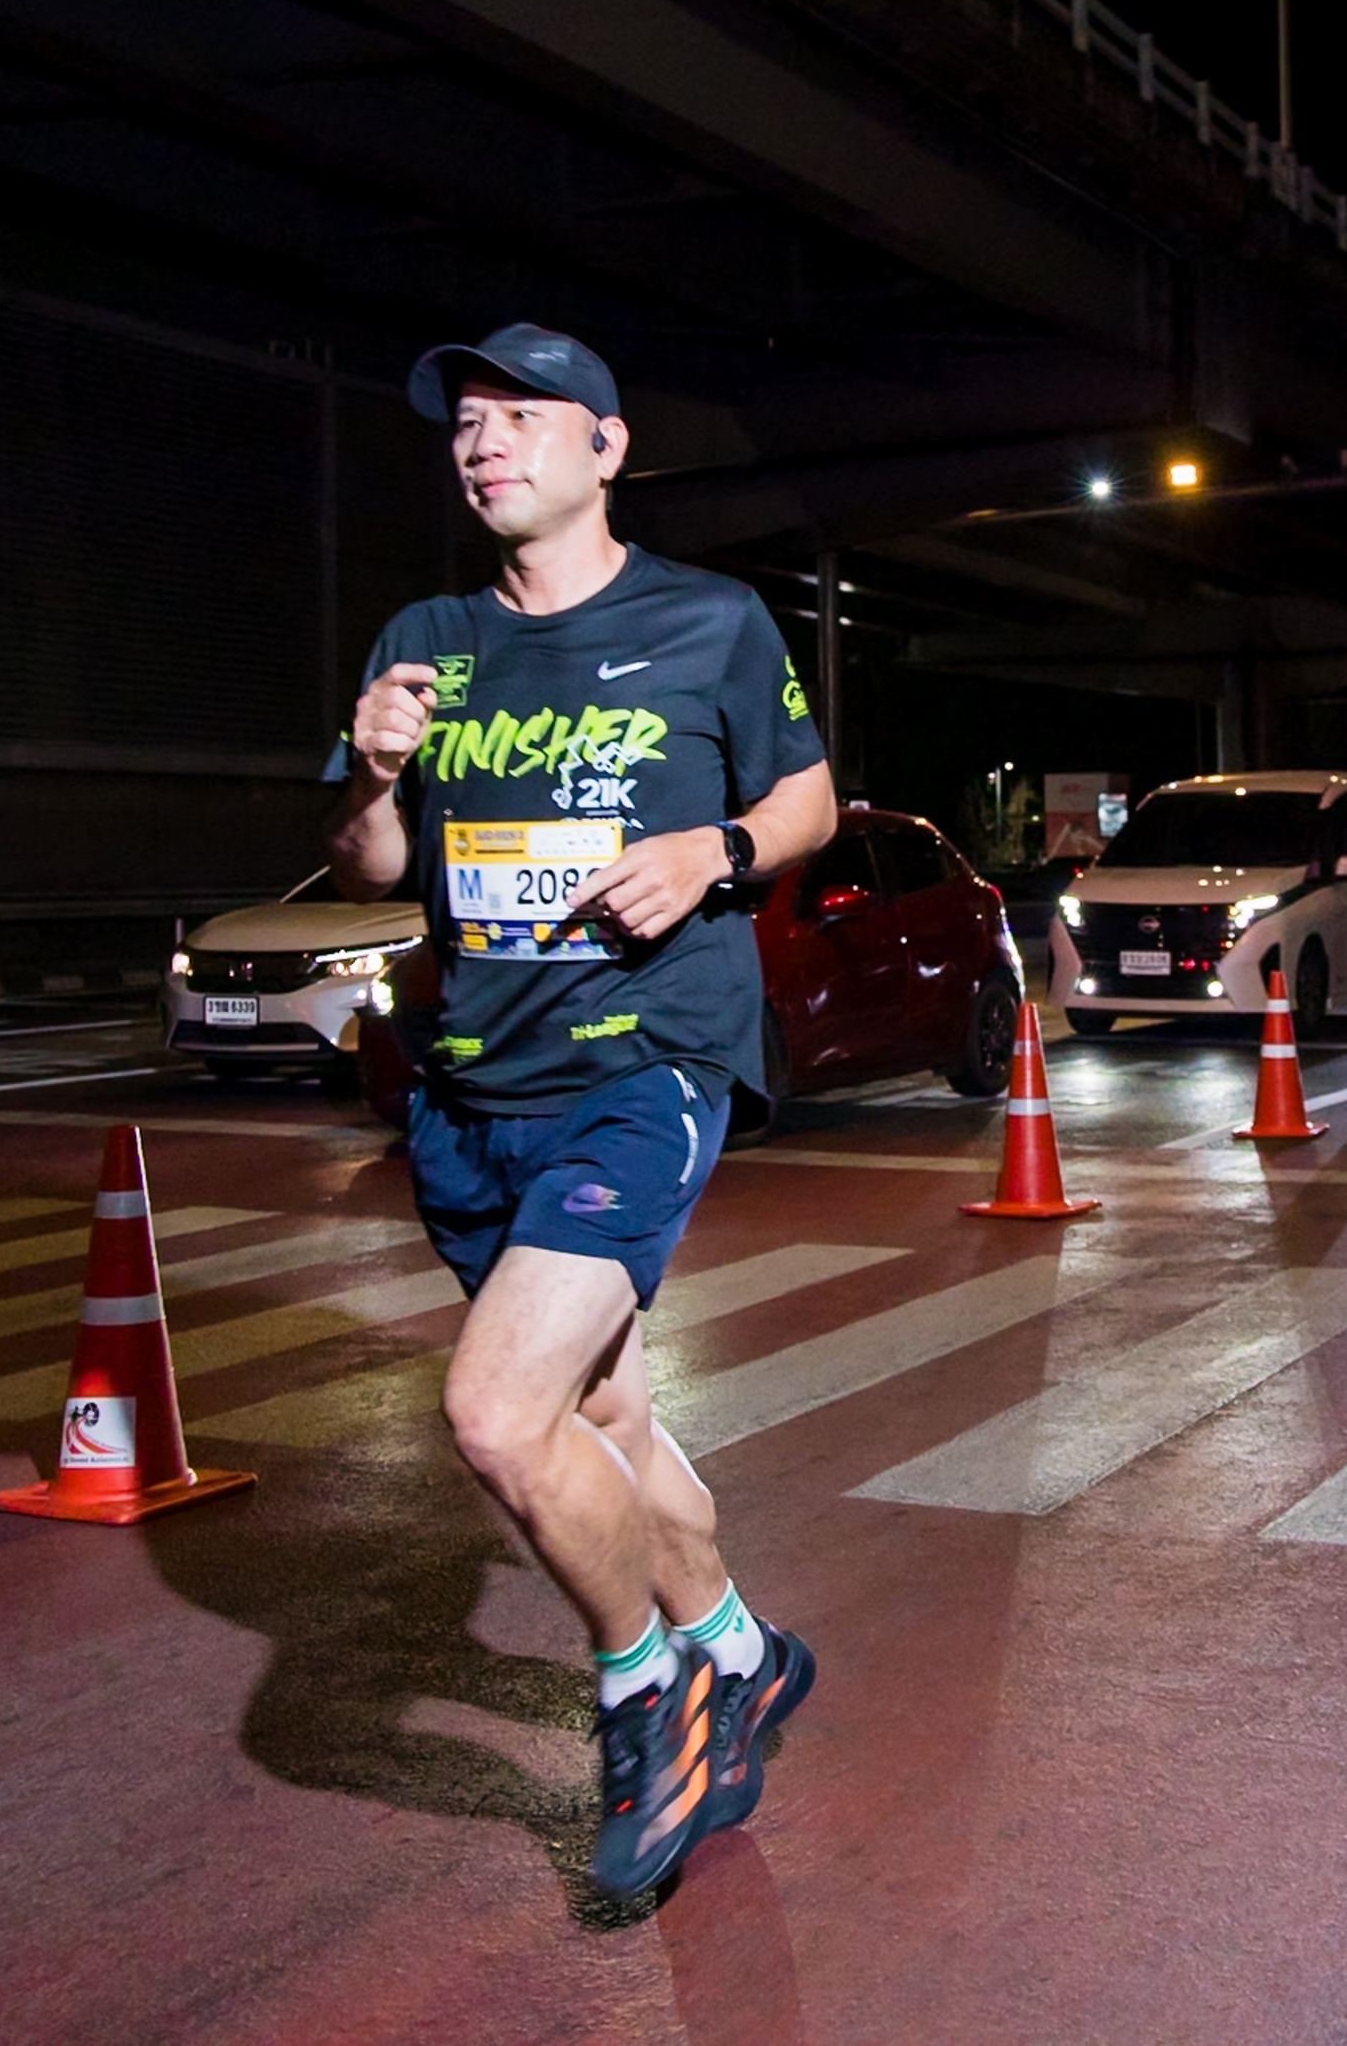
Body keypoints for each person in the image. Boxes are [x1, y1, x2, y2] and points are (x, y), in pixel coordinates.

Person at [324, 321, 838, 1903]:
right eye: (465, 423)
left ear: (606, 447)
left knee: (497, 1412)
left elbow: (808, 798)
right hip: (475, 1086)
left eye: (520, 415)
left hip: (644, 1063)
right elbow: (373, 869)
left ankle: (645, 1692)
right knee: (601, 1418)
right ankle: (741, 1649)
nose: (483, 442)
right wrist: (369, 775)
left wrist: (713, 853)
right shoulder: (426, 639)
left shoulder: (711, 619)